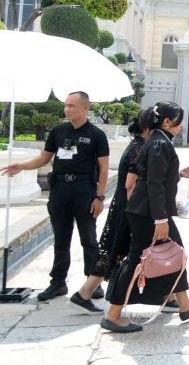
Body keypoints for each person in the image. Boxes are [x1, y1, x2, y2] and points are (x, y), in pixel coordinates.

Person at [103, 102, 189, 333]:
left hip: (147, 211)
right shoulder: (160, 142)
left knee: (176, 252)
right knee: (136, 262)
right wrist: (160, 219)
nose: (182, 127)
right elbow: (154, 184)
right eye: (179, 122)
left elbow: (159, 178)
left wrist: (181, 174)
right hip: (148, 214)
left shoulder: (157, 140)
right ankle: (113, 314)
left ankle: (184, 303)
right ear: (167, 122)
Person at [1, 92, 109, 303]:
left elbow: (104, 167)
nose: (67, 109)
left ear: (85, 108)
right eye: (65, 106)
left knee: (89, 239)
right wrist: (21, 166)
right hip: (59, 190)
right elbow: (44, 158)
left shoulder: (96, 135)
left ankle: (91, 283)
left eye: (72, 106)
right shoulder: (58, 132)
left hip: (84, 190)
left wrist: (100, 197)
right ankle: (58, 282)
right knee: (61, 240)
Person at [68, 116, 150, 314]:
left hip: (125, 207)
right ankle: (84, 293)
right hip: (129, 209)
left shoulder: (137, 146)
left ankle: (84, 293)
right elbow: (130, 185)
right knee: (117, 251)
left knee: (115, 251)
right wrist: (136, 215)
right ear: (147, 129)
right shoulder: (139, 149)